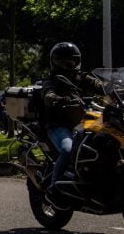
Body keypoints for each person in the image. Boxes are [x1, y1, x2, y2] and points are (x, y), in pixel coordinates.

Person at [41, 42, 103, 208]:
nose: (67, 64)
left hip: (85, 123)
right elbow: (48, 93)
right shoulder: (51, 80)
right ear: (54, 62)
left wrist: (115, 89)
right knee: (69, 149)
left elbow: (99, 85)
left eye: (71, 60)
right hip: (59, 126)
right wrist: (56, 99)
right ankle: (53, 189)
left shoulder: (82, 77)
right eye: (61, 61)